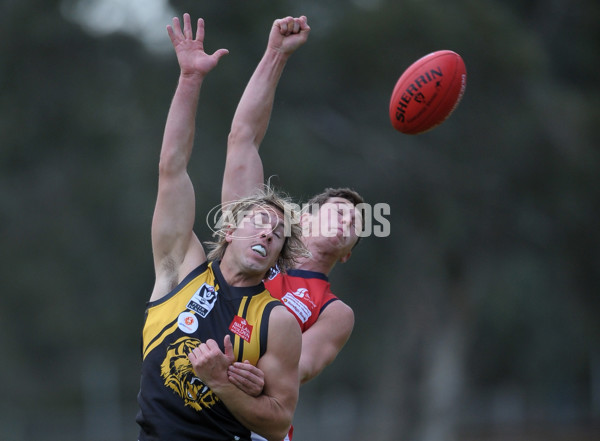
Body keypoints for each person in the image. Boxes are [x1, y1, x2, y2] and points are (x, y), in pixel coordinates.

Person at [135, 14, 310, 441]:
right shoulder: (180, 268)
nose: (269, 234)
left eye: (278, 234)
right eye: (261, 223)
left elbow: (276, 422)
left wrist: (221, 382)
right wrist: (190, 78)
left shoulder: (276, 320)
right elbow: (172, 169)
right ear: (230, 230)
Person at [221, 15, 365, 440]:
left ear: (349, 252)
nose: (347, 220)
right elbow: (243, 138)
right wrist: (275, 55)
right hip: (192, 407)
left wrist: (236, 368)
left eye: (355, 223)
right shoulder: (251, 239)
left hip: (257, 427)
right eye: (337, 210)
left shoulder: (335, 313)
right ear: (301, 219)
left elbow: (295, 369)